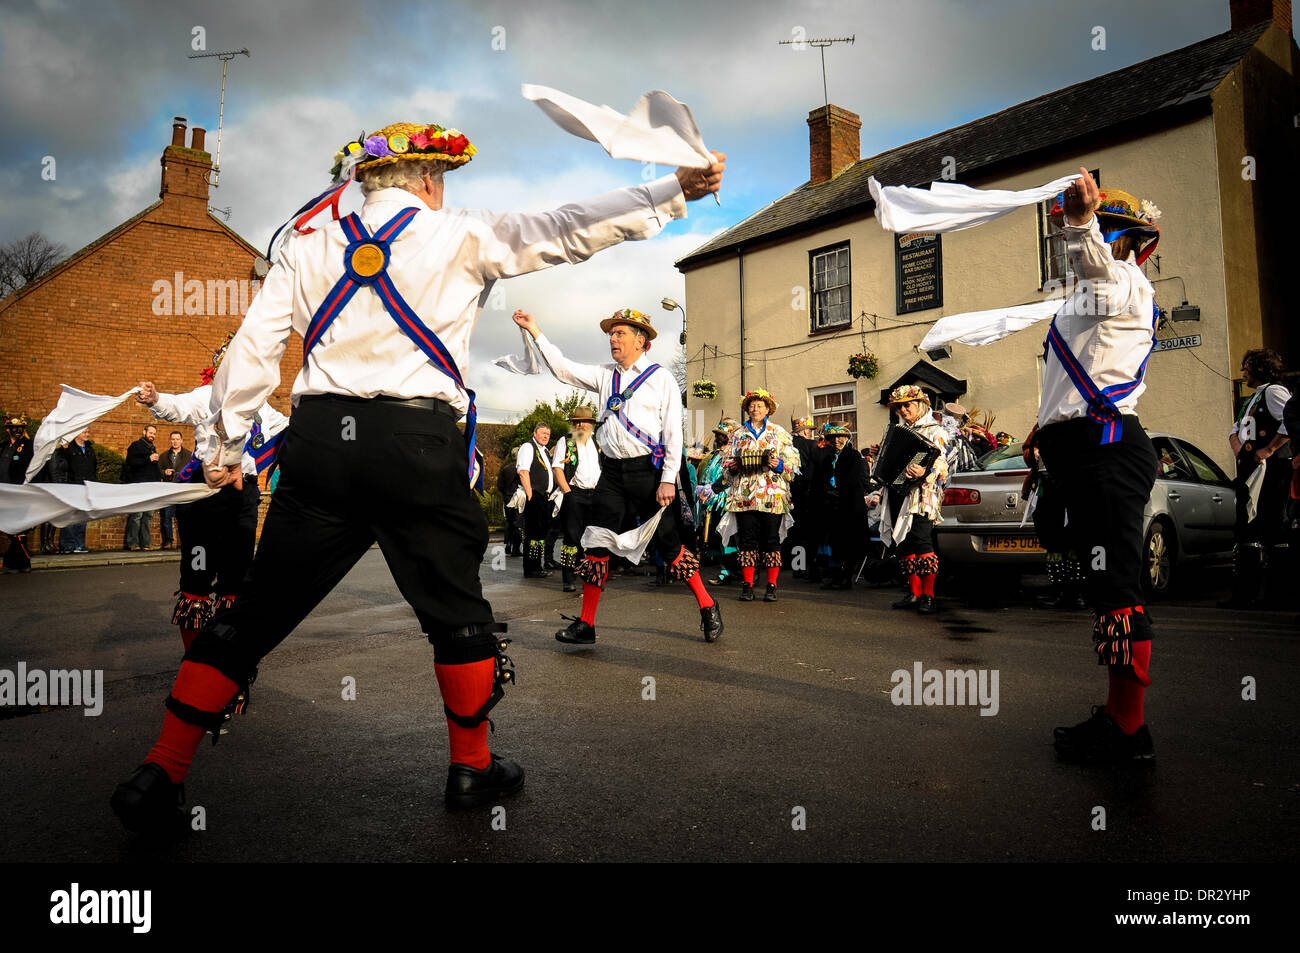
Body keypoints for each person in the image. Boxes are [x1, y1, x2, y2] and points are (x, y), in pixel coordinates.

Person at [109, 118, 725, 831]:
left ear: (361, 181)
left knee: (254, 612)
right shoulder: (459, 232)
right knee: (456, 609)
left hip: (322, 445)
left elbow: (250, 354)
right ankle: (471, 766)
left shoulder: (307, 246)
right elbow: (566, 226)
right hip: (417, 445)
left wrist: (222, 448)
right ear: (431, 180)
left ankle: (161, 768)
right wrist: (672, 189)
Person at [1021, 168, 1162, 764]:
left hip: (1108, 449)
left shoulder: (1123, 280)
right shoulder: (1081, 304)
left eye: (1104, 231)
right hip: (1083, 450)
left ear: (1125, 241)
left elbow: (1099, 278)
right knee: (1104, 584)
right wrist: (1042, 428)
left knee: (1118, 585)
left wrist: (1080, 225)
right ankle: (1116, 718)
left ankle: (1130, 731)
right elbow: (1074, 378)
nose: (1087, 244)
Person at [512, 307, 724, 644]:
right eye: (611, 333)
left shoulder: (661, 378)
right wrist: (536, 331)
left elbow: (673, 434)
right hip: (611, 474)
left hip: (648, 473)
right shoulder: (603, 375)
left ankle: (707, 605)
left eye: (620, 333)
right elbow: (563, 369)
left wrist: (668, 478)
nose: (612, 338)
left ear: (641, 342)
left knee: (669, 545)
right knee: (597, 542)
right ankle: (587, 624)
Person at [137, 362, 288, 653]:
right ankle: (194, 662)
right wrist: (156, 399)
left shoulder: (261, 407)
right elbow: (177, 406)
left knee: (237, 581)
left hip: (242, 495)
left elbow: (287, 428)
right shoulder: (208, 396)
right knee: (197, 578)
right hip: (205, 495)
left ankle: (225, 663)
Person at [1220, 348, 1291, 608]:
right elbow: (1236, 428)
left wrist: (1269, 449)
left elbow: (1290, 421)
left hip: (1270, 472)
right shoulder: (1252, 399)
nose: (1243, 372)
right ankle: (1246, 593)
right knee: (1248, 528)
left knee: (1272, 526)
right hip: (1250, 471)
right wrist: (1237, 445)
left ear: (1261, 368)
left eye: (1247, 366)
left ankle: (1278, 594)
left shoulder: (1274, 392)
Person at [718, 389, 800, 602]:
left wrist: (779, 464)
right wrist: (733, 467)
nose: (755, 409)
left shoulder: (779, 432)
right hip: (744, 497)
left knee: (771, 540)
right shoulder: (737, 434)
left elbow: (793, 463)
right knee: (747, 541)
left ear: (768, 410)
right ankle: (747, 585)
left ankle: (771, 585)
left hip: (771, 495)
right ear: (747, 408)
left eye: (760, 406)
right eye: (752, 405)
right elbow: (725, 465)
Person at [877, 386, 948, 612]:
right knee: (904, 544)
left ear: (921, 405)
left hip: (922, 495)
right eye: (900, 406)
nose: (903, 410)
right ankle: (914, 593)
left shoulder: (936, 430)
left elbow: (942, 464)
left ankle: (928, 595)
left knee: (921, 541)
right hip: (897, 492)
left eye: (908, 405)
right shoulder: (896, 430)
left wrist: (925, 472)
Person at [552, 405, 601, 592]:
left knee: (592, 539)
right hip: (574, 493)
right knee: (572, 537)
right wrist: (568, 493)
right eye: (577, 421)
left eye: (585, 421)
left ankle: (588, 575)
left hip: (594, 494)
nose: (580, 424)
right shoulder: (566, 441)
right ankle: (568, 578)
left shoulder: (597, 443)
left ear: (591, 424)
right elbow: (557, 468)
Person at [817, 422, 868, 590]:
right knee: (834, 541)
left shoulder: (854, 456)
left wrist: (839, 490)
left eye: (841, 437)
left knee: (850, 541)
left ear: (847, 438)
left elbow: (854, 480)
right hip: (831, 505)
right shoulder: (827, 457)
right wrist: (826, 491)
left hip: (850, 505)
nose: (837, 440)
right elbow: (821, 479)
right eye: (833, 437)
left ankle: (847, 577)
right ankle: (836, 575)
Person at [696, 417, 739, 584]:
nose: (718, 438)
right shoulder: (714, 456)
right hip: (712, 503)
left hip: (726, 501)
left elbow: (730, 478)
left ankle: (734, 571)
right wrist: (703, 488)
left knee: (729, 536)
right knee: (716, 537)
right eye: (718, 435)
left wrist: (716, 490)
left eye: (722, 435)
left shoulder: (733, 455)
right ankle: (725, 569)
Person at [516, 422, 555, 579]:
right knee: (533, 533)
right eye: (543, 433)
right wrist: (530, 494)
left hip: (544, 497)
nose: (546, 436)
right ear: (535, 433)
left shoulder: (544, 451)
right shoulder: (528, 446)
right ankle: (531, 568)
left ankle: (536, 566)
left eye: (548, 434)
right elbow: (523, 471)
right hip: (535, 495)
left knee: (540, 533)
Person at [783, 415, 819, 580]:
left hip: (791, 493)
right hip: (808, 493)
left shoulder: (787, 446)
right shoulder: (812, 445)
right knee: (809, 532)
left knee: (794, 531)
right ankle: (810, 568)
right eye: (809, 431)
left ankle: (797, 567)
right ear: (802, 432)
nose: (810, 434)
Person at [2, 413, 34, 573]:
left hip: (20, 492)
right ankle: (17, 563)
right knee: (11, 529)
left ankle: (18, 563)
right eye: (15, 428)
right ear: (8, 429)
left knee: (19, 529)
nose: (18, 431)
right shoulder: (3, 446)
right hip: (4, 493)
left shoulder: (28, 446)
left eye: (21, 428)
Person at [123, 424, 161, 550]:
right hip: (139, 485)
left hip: (151, 486)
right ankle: (133, 543)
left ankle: (145, 543)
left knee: (148, 516)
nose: (152, 435)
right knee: (137, 515)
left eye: (154, 433)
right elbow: (130, 463)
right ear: (144, 432)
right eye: (150, 432)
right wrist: (148, 459)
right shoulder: (136, 446)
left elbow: (153, 468)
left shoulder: (152, 448)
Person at [59, 429, 96, 553]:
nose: (87, 434)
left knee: (82, 517)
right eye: (84, 432)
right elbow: (63, 468)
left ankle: (80, 544)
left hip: (86, 487)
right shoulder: (68, 449)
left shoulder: (90, 448)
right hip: (72, 486)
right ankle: (68, 545)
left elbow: (93, 467)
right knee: (70, 515)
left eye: (87, 432)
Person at [158, 430, 192, 549]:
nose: (175, 441)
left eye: (177, 439)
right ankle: (168, 541)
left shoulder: (189, 455)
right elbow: (158, 471)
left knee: (184, 518)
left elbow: (194, 470)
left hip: (183, 490)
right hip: (168, 490)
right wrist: (164, 472)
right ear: (170, 440)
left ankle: (185, 542)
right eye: (173, 439)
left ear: (181, 441)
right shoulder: (163, 456)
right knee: (167, 517)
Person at [496, 458, 522, 557]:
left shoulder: (506, 468)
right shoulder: (521, 467)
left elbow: (500, 485)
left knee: (509, 521)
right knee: (518, 522)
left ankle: (508, 544)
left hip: (508, 497)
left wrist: (505, 493)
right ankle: (516, 547)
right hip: (519, 496)